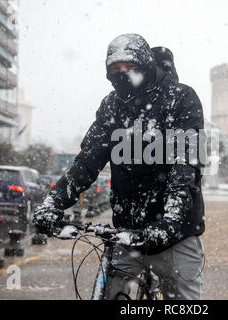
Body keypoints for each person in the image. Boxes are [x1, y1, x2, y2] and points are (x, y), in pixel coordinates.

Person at [32, 34, 205, 300]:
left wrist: (170, 220)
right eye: (114, 69)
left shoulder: (181, 98)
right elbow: (86, 163)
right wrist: (53, 202)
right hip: (125, 232)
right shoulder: (111, 105)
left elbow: (186, 166)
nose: (122, 74)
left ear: (146, 64)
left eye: (129, 66)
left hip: (176, 236)